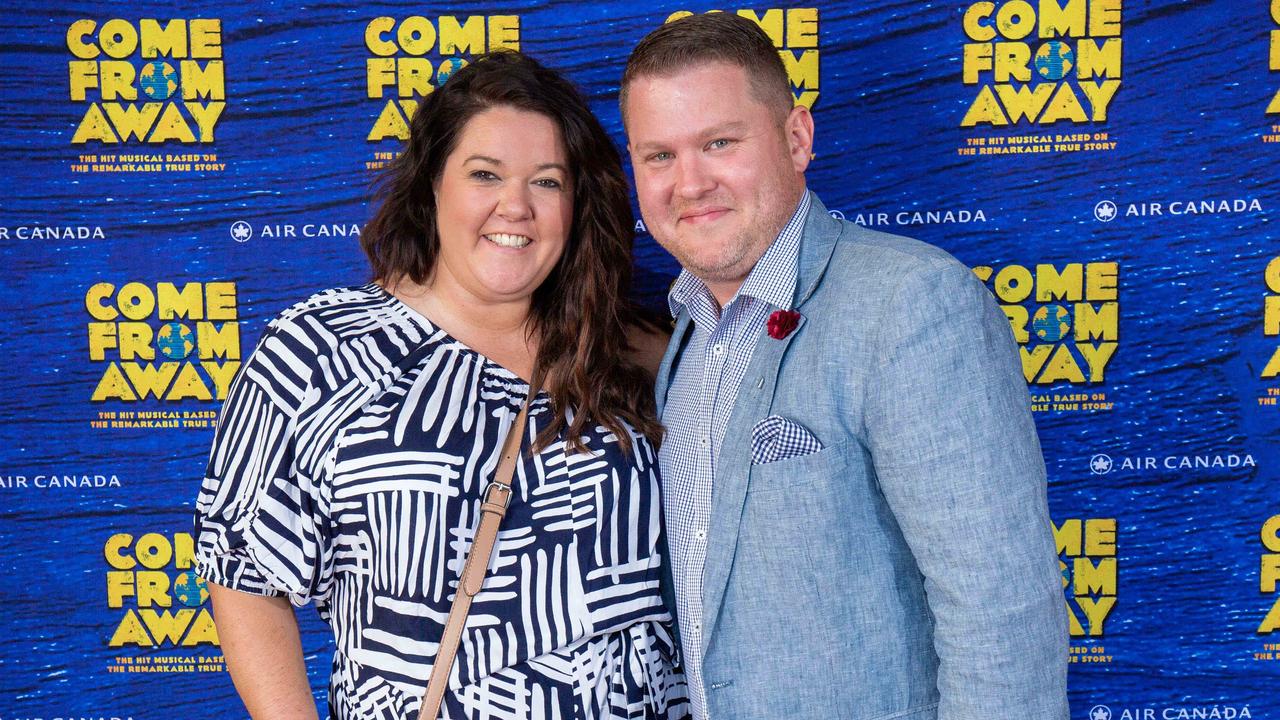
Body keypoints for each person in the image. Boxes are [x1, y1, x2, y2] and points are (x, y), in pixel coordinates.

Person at [195, 51, 687, 720]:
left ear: (578, 204)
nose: (515, 206)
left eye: (546, 182)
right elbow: (242, 572)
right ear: (432, 186)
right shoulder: (322, 351)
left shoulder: (637, 354)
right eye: (485, 174)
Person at [619, 13, 1068, 720]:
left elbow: (1001, 609)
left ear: (797, 138)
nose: (690, 182)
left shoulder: (909, 302)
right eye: (659, 156)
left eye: (720, 143)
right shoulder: (686, 339)